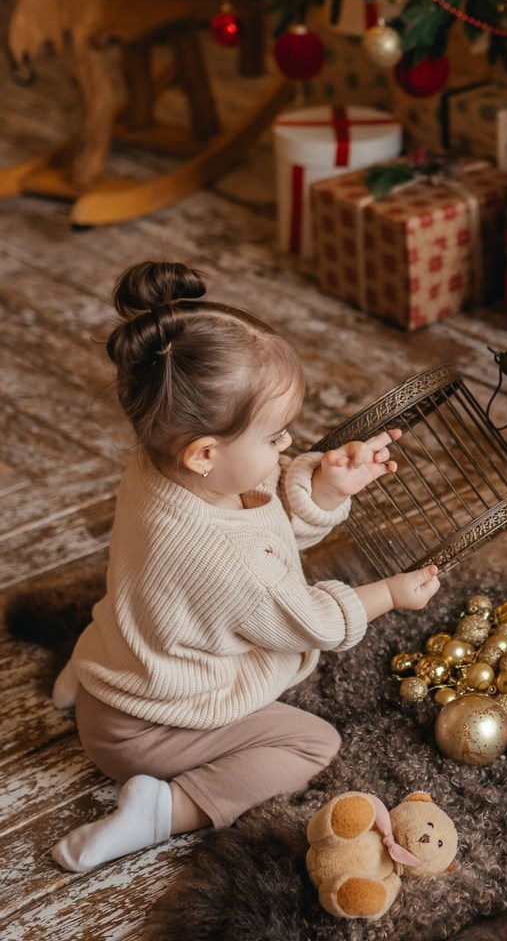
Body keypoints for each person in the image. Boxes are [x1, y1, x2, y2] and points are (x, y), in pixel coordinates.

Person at [50, 260, 440, 874]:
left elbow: (265, 528)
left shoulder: (157, 468)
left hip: (116, 678)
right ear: (205, 453)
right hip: (149, 734)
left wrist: (329, 489)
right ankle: (162, 808)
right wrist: (389, 593)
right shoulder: (224, 559)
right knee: (312, 744)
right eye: (277, 438)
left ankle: (84, 678)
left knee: (141, 602)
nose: (289, 448)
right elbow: (306, 618)